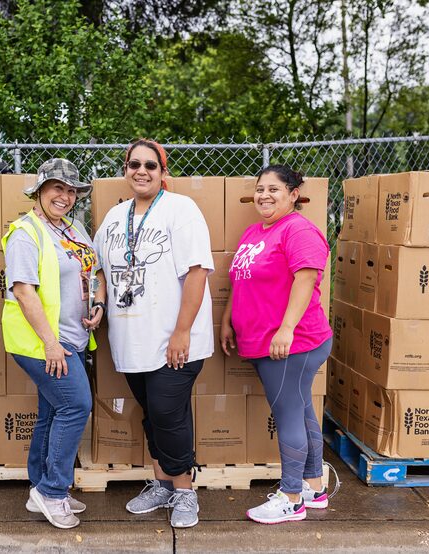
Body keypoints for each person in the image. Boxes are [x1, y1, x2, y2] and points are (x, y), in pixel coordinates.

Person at [93, 139, 214, 529]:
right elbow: (99, 269)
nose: (141, 171)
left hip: (173, 340)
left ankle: (184, 491)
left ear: (163, 172)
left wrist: (182, 332)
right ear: (125, 169)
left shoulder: (181, 210)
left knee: (167, 412)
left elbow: (197, 272)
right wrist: (97, 302)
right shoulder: (115, 216)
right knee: (154, 415)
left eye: (150, 165)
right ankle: (163, 482)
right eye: (133, 164)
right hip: (132, 340)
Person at [220, 164, 333, 525]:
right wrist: (228, 320)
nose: (264, 195)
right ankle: (314, 487)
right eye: (260, 189)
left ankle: (290, 497)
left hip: (292, 342)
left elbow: (306, 279)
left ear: (293, 194)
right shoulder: (255, 231)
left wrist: (286, 329)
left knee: (288, 415)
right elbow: (241, 282)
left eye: (274, 189)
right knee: (300, 411)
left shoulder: (298, 229)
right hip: (263, 340)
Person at [1, 158, 105, 530]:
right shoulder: (25, 232)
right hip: (40, 341)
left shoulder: (74, 228)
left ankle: (39, 487)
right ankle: (54, 491)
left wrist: (98, 303)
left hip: (74, 337)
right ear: (41, 190)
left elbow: (95, 271)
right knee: (76, 405)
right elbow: (24, 291)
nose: (65, 196)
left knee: (52, 411)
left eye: (71, 190)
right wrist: (50, 343)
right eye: (57, 188)